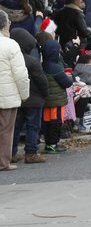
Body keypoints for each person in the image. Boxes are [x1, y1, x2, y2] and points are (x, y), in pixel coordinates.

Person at [9, 28, 48, 164]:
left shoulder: (10, 61)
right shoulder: (32, 61)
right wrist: (45, 94)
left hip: (17, 98)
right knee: (33, 126)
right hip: (34, 99)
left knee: (16, 126)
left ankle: (11, 152)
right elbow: (42, 81)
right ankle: (31, 152)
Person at [0, 12, 30, 171]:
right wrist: (24, 94)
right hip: (7, 94)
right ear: (4, 24)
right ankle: (3, 162)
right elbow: (20, 74)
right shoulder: (11, 44)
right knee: (5, 130)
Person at [38, 32, 72, 154]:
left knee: (47, 122)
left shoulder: (42, 65)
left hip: (46, 101)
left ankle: (48, 144)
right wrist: (70, 78)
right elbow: (67, 83)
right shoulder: (56, 67)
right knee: (56, 122)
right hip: (57, 101)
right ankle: (53, 144)